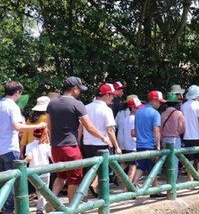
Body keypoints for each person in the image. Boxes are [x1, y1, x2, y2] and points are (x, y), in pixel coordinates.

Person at [48, 76, 110, 207]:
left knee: (61, 176)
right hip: (70, 146)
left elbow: (49, 127)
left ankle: (52, 200)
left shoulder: (52, 103)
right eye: (79, 90)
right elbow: (90, 127)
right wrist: (103, 138)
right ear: (74, 89)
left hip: (55, 147)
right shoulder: (77, 104)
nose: (80, 92)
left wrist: (52, 143)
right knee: (74, 179)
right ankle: (72, 207)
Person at [0, 80, 48, 214]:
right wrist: (37, 126)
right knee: (13, 180)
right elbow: (17, 126)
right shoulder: (13, 107)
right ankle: (10, 209)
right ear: (17, 92)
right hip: (9, 147)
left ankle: (1, 207)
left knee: (2, 179)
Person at [82, 83, 122, 196]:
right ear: (106, 96)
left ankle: (84, 192)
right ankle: (98, 190)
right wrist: (116, 146)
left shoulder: (86, 107)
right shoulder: (106, 109)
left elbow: (80, 127)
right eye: (112, 95)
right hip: (102, 143)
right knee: (104, 168)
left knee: (90, 169)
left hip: (87, 143)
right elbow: (109, 130)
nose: (113, 98)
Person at [133, 90, 166, 196]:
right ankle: (154, 190)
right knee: (154, 168)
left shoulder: (138, 112)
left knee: (141, 166)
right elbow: (156, 130)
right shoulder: (155, 113)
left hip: (139, 144)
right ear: (153, 101)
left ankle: (133, 184)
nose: (160, 104)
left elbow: (135, 129)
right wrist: (158, 145)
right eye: (159, 102)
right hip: (150, 144)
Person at [24, 128, 52, 214]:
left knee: (39, 191)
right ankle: (41, 209)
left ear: (33, 135)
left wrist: (22, 164)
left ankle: (43, 207)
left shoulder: (29, 145)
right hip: (45, 172)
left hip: (33, 173)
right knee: (43, 190)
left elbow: (29, 158)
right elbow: (52, 158)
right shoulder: (47, 146)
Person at [182, 85, 199, 178]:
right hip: (197, 135)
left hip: (187, 136)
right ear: (197, 95)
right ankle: (198, 178)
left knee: (189, 160)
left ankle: (190, 180)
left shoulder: (183, 106)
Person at [116, 96, 141, 182]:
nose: (139, 109)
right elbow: (133, 133)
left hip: (127, 145)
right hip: (133, 146)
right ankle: (128, 188)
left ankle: (116, 174)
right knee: (133, 167)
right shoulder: (134, 119)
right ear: (133, 108)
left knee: (125, 163)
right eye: (138, 108)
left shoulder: (127, 118)